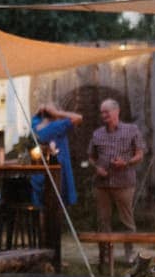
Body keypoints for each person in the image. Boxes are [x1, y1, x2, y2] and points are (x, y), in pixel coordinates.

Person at [88, 98, 147, 265]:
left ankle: (130, 255)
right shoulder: (97, 134)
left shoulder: (131, 130)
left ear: (116, 112)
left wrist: (126, 162)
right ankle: (105, 256)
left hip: (124, 183)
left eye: (106, 112)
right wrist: (97, 168)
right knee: (103, 221)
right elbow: (91, 157)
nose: (103, 115)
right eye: (102, 112)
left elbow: (140, 154)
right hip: (102, 185)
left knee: (126, 220)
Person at [30, 103, 83, 208]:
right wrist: (58, 113)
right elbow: (79, 118)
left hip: (39, 171)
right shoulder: (57, 126)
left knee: (41, 206)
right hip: (57, 171)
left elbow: (35, 117)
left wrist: (40, 111)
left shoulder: (35, 126)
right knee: (57, 204)